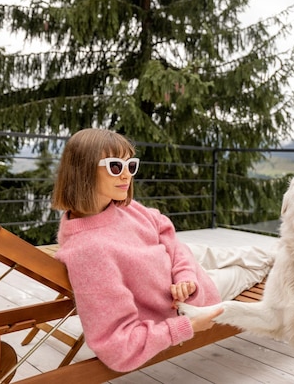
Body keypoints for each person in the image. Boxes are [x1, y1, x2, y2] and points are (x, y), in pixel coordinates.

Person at [52, 128, 274, 372]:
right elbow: (117, 346)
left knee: (248, 254)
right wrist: (185, 325)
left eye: (131, 165)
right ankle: (282, 261)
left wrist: (184, 274)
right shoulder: (90, 252)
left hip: (180, 265)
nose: (127, 175)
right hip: (193, 295)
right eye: (116, 166)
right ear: (83, 169)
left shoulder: (119, 207)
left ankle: (280, 255)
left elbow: (163, 228)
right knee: (253, 267)